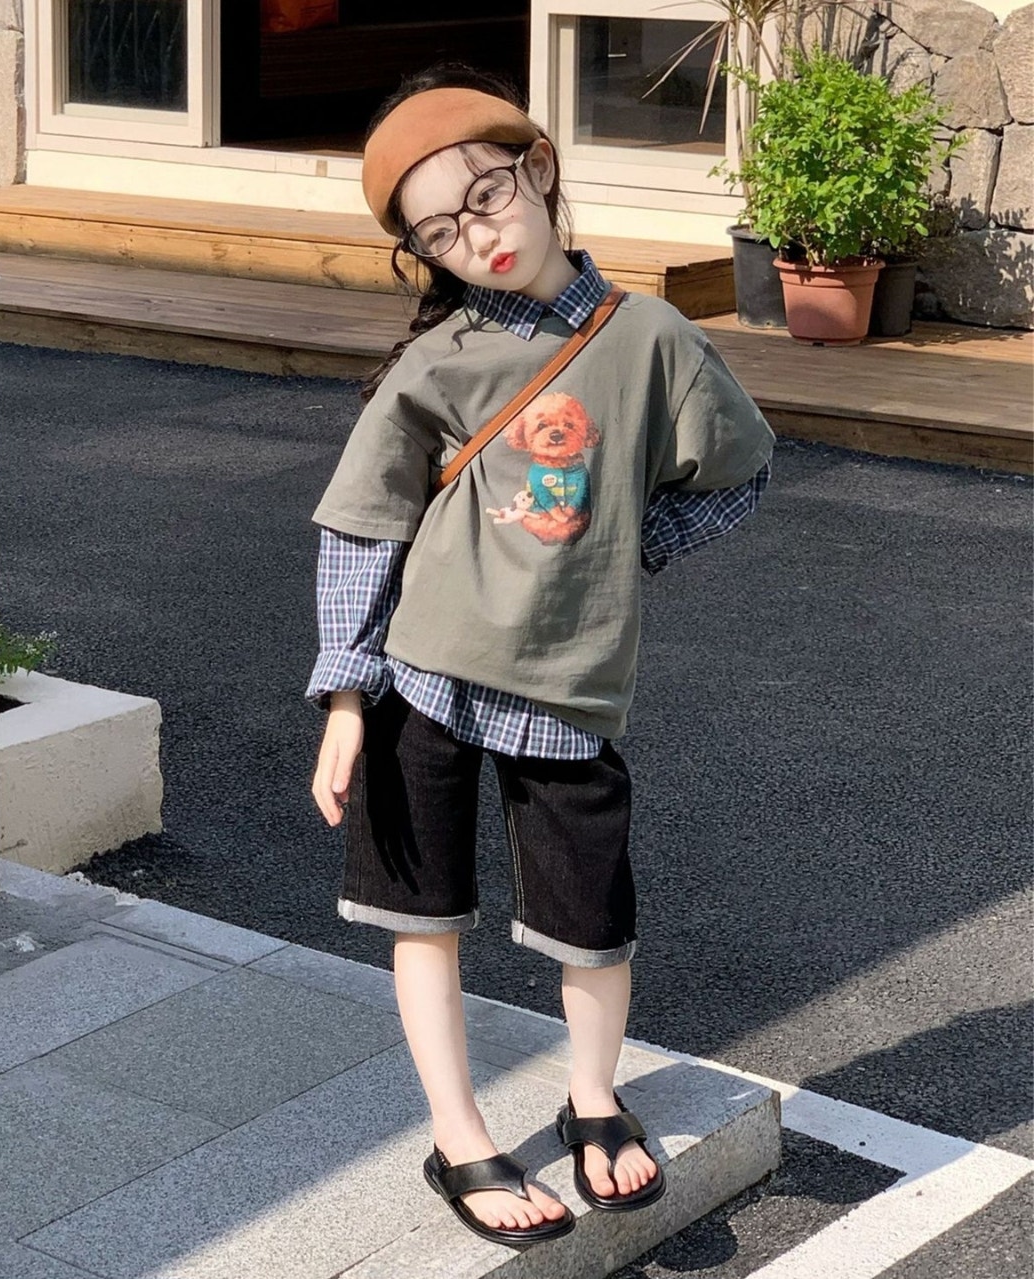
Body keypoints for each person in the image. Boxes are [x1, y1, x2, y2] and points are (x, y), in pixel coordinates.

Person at [306, 64, 775, 1249]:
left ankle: (591, 1098)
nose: (476, 236)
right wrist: (345, 695)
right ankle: (457, 1134)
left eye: (485, 196)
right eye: (438, 232)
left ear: (539, 169)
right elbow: (363, 527)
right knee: (422, 915)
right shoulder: (438, 362)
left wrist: (629, 544)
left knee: (590, 914)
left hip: (570, 681)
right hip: (420, 675)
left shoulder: (652, 337)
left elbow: (738, 469)